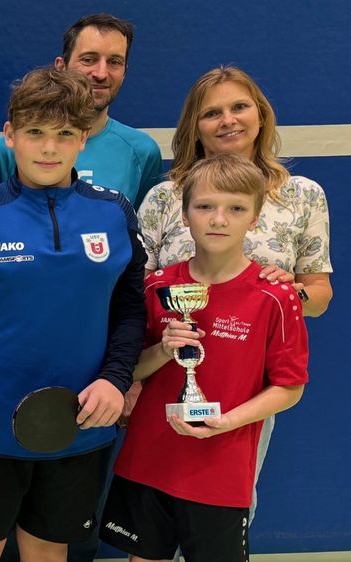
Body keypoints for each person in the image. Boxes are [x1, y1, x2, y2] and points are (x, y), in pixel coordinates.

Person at [0, 68, 145, 562]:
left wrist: (115, 378)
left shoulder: (115, 214)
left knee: (48, 551)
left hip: (79, 423)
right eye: (35, 133)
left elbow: (130, 309)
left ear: (83, 139)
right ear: (10, 135)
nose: (49, 148)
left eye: (65, 133)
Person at [133, 65, 333, 535]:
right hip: (165, 375)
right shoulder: (165, 198)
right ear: (194, 127)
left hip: (248, 386)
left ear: (260, 115)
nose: (228, 120)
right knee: (152, 507)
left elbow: (320, 295)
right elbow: (135, 295)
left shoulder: (301, 196)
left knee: (226, 505)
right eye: (212, 112)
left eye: (239, 107)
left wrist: (284, 292)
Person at [102, 153, 308, 562]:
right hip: (149, 462)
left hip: (221, 470)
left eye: (235, 209)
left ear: (254, 217)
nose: (218, 219)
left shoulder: (276, 296)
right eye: (205, 207)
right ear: (184, 214)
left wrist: (227, 421)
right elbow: (130, 370)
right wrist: (163, 349)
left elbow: (289, 387)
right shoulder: (158, 286)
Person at [0, 14, 162, 208]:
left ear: (125, 72)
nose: (101, 73)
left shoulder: (142, 152)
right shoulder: (7, 150)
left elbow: (137, 231)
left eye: (114, 62)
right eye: (88, 59)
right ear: (61, 67)